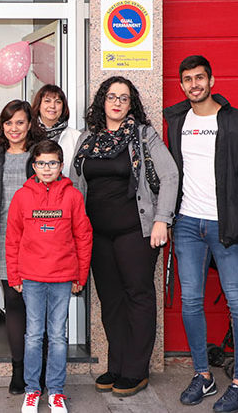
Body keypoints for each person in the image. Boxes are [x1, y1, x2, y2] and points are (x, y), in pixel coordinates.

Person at [164, 55, 238, 413]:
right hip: (187, 224)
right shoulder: (176, 121)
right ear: (181, 85)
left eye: (200, 78)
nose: (194, 84)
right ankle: (203, 375)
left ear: (212, 80)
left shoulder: (237, 122)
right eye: (187, 79)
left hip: (227, 226)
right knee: (191, 301)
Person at [70, 76, 179, 397]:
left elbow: (170, 175)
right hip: (97, 233)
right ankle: (117, 365)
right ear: (102, 101)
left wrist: (162, 219)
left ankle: (136, 369)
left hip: (136, 231)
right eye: (111, 96)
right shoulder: (88, 139)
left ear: (131, 104)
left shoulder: (143, 135)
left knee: (138, 296)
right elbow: (75, 183)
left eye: (124, 98)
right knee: (111, 301)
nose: (117, 102)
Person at [7, 140, 92, 413]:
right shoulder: (21, 197)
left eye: (52, 163)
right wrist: (14, 276)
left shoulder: (73, 196)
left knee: (57, 335)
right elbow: (12, 238)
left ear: (61, 165)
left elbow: (83, 237)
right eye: (41, 163)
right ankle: (32, 390)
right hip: (31, 277)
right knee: (33, 335)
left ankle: (56, 391)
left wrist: (80, 275)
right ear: (33, 166)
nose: (47, 168)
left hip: (62, 277)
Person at [0, 99, 45, 394]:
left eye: (20, 122)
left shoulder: (41, 153)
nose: (14, 128)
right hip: (5, 238)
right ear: (2, 126)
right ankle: (19, 370)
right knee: (14, 304)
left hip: (39, 239)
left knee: (38, 306)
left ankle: (40, 368)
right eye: (8, 123)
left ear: (30, 124)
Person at [32, 83, 81, 157]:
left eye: (58, 102)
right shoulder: (28, 134)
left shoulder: (76, 137)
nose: (52, 106)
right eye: (47, 101)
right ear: (38, 105)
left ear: (63, 107)